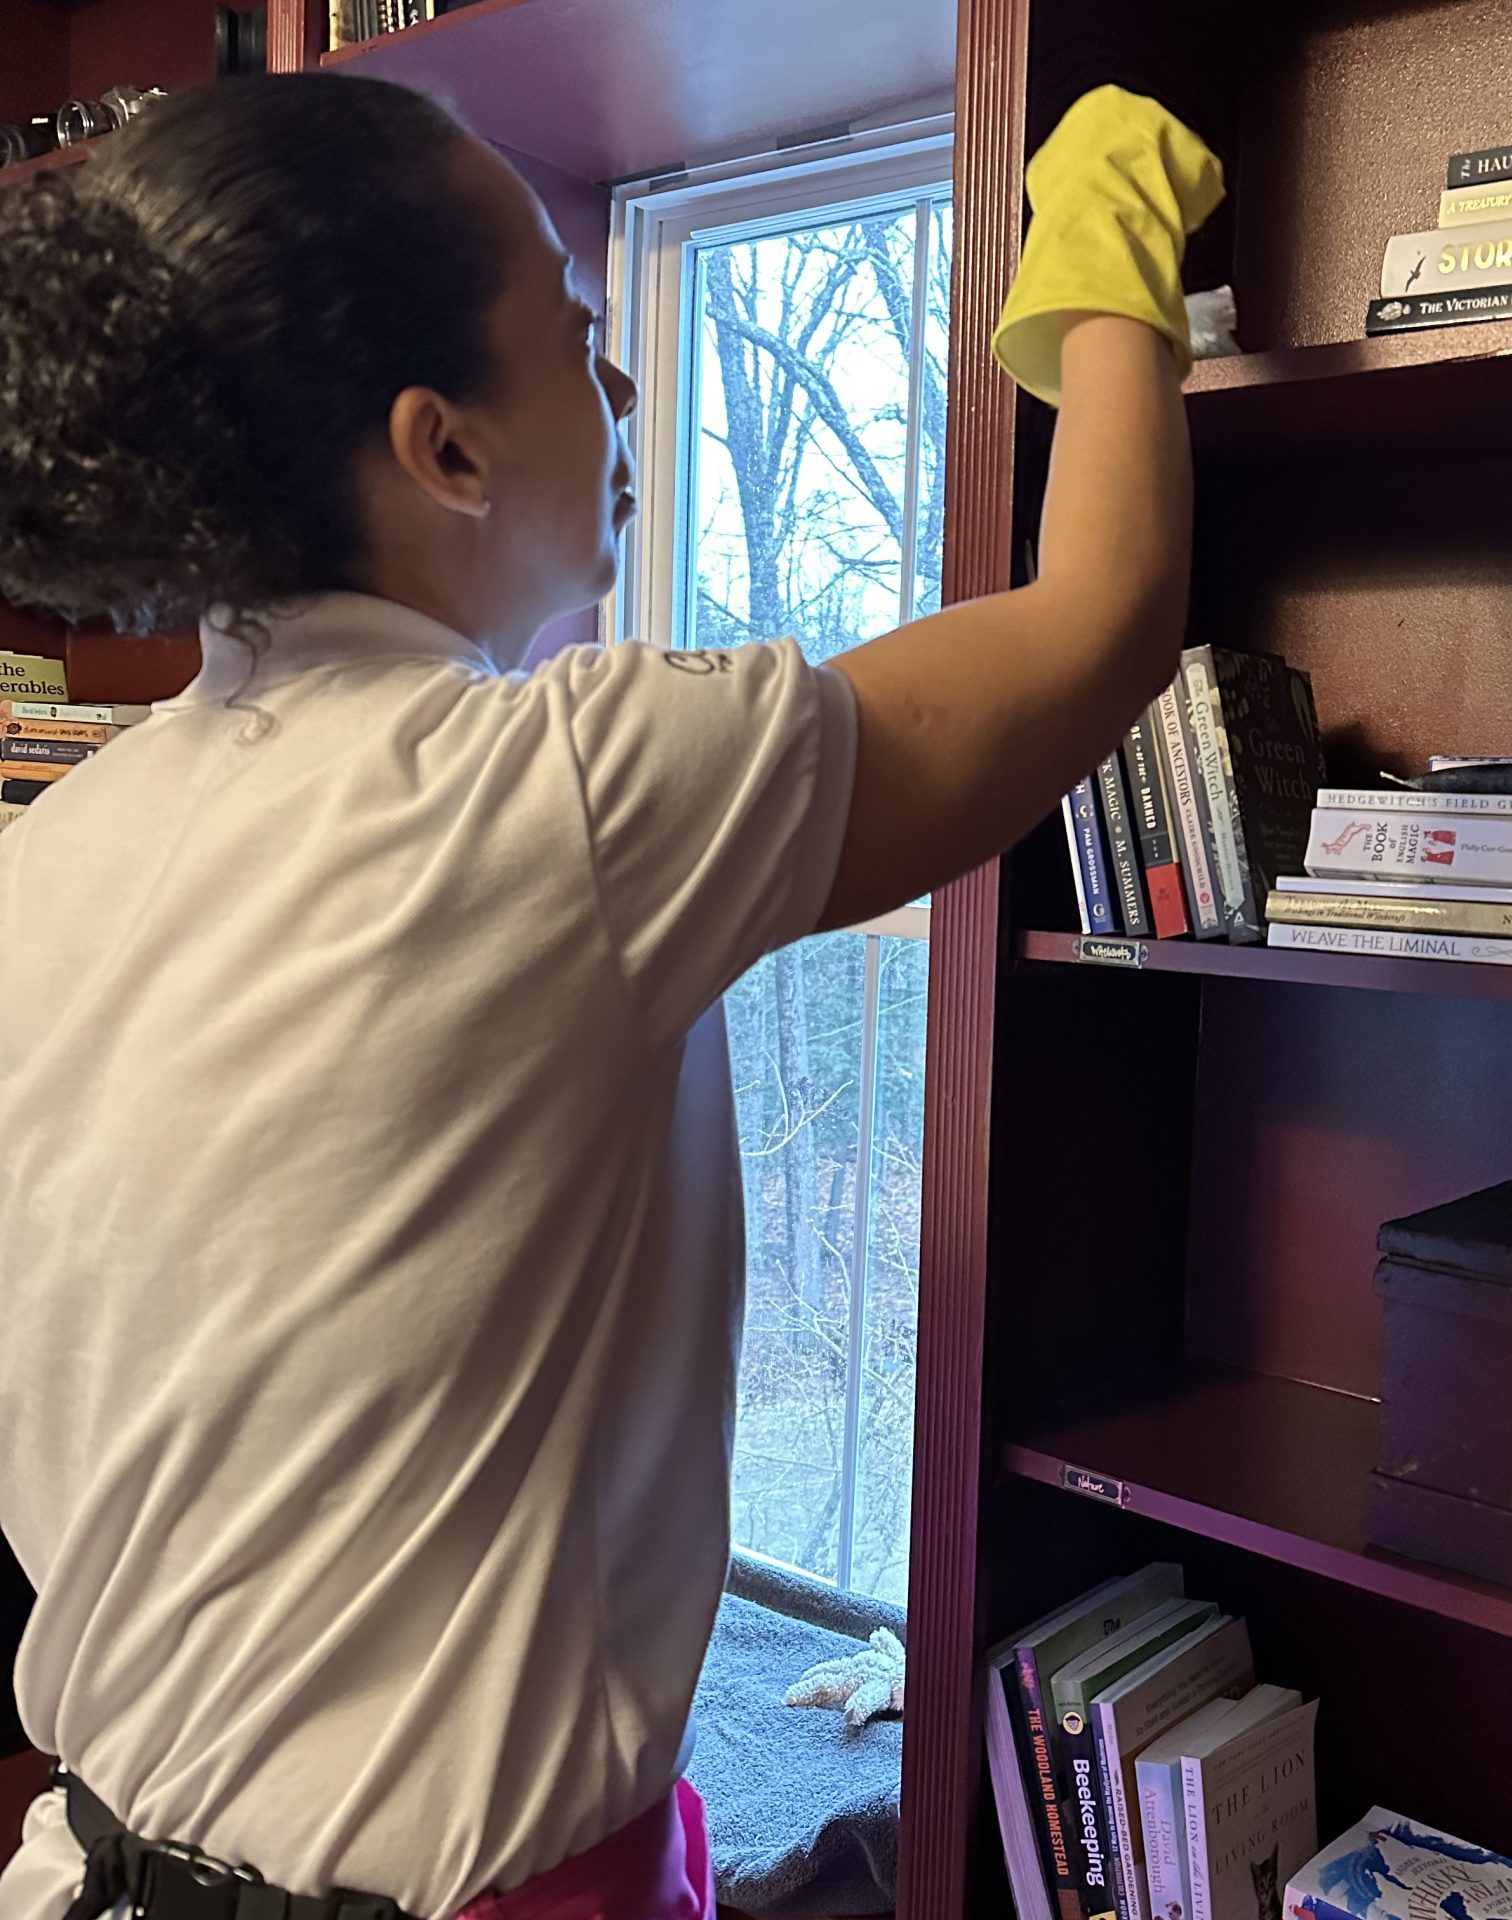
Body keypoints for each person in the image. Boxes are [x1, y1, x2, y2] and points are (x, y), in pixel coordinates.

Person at [0, 72, 1220, 1920]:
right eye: (577, 342)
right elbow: (1103, 616)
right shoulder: (550, 793)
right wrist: (1112, 221)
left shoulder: (65, 837)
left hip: (88, 1867)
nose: (630, 387)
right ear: (446, 450)